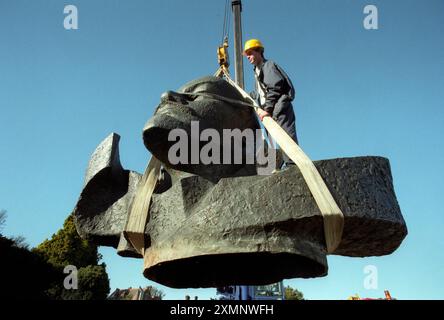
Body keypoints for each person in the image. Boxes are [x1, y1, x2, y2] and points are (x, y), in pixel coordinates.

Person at [243, 38, 298, 169]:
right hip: (270, 112)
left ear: (259, 51)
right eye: (247, 55)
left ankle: (292, 165)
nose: (248, 57)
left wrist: (266, 109)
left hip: (278, 108)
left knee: (286, 136)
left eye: (250, 53)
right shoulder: (257, 71)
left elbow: (275, 87)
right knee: (276, 139)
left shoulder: (268, 66)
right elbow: (264, 92)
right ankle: (284, 165)